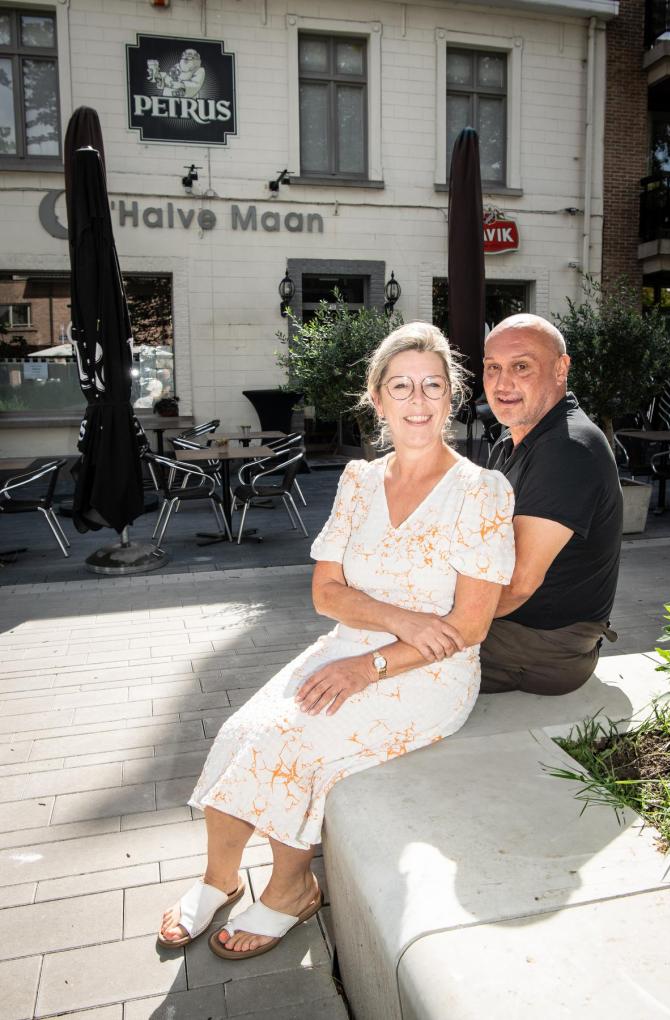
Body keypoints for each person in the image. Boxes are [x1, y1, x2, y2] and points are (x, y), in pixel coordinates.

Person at [158, 322, 515, 959]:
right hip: (351, 643)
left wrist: (373, 664)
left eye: (433, 386)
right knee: (242, 728)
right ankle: (217, 880)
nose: (418, 400)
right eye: (401, 386)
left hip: (431, 673)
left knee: (294, 737)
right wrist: (398, 620)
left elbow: (467, 627)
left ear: (451, 399)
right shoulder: (358, 480)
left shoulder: (480, 491)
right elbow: (327, 593)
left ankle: (292, 888)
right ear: (377, 399)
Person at [478, 313, 622, 696]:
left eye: (521, 366)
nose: (502, 383)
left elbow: (520, 585)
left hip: (541, 646)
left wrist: (435, 619)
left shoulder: (567, 447)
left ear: (561, 369)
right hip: (517, 630)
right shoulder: (512, 443)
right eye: (492, 368)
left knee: (386, 654)